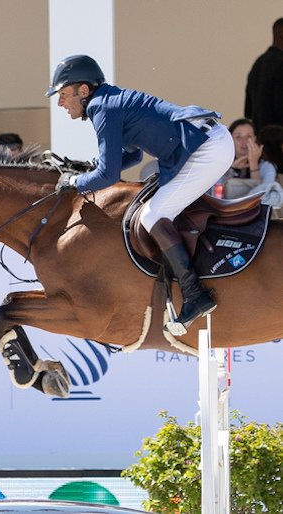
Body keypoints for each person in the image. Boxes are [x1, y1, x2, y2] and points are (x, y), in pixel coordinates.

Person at [47, 55, 234, 335]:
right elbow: (132, 155)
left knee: (152, 215)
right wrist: (88, 171)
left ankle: (195, 294)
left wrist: (75, 182)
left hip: (208, 150)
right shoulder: (108, 101)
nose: (60, 103)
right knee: (156, 211)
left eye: (63, 94)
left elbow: (108, 176)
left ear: (83, 90)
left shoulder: (101, 107)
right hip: (209, 143)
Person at [245, 18, 283, 133]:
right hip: (278, 136)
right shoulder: (280, 63)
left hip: (260, 136)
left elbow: (248, 110)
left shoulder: (258, 63)